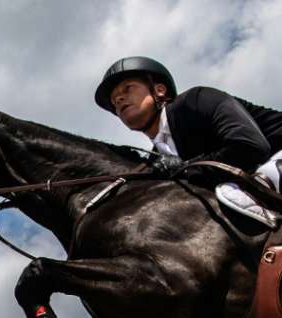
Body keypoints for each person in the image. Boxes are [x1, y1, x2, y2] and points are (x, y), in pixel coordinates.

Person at [95, 56, 282, 226]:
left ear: (159, 90)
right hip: (249, 181)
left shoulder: (196, 100)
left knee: (244, 187)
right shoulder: (158, 159)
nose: (119, 99)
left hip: (274, 155)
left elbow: (250, 146)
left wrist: (185, 169)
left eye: (127, 88)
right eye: (114, 101)